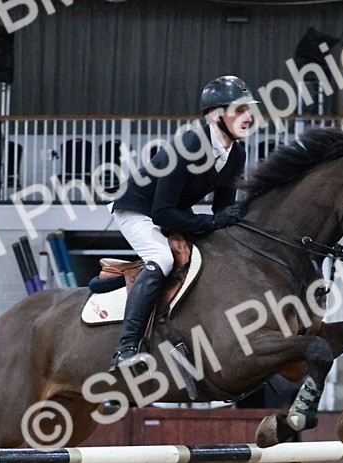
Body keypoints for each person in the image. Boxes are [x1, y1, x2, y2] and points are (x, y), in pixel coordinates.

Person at [107, 75, 257, 370]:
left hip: (172, 211)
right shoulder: (188, 145)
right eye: (239, 110)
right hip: (137, 208)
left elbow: (222, 209)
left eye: (248, 109)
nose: (249, 117)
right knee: (162, 257)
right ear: (215, 115)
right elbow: (162, 214)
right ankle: (126, 348)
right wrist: (213, 221)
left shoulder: (236, 153)